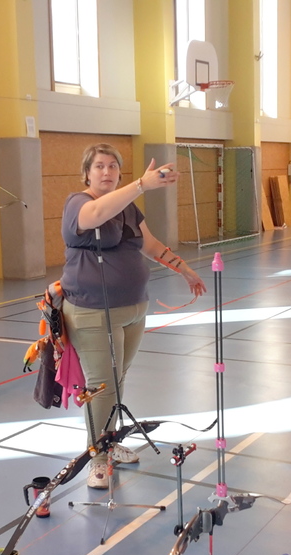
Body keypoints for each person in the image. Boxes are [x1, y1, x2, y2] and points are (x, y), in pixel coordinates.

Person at [60, 143, 206, 489]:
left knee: (117, 378)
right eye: (99, 166)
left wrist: (185, 270)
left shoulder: (127, 207)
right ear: (86, 173)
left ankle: (109, 441)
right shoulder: (77, 203)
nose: (107, 172)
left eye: (113, 166)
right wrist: (141, 184)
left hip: (133, 309)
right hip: (93, 311)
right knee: (102, 385)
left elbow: (150, 245)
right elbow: (95, 215)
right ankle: (97, 458)